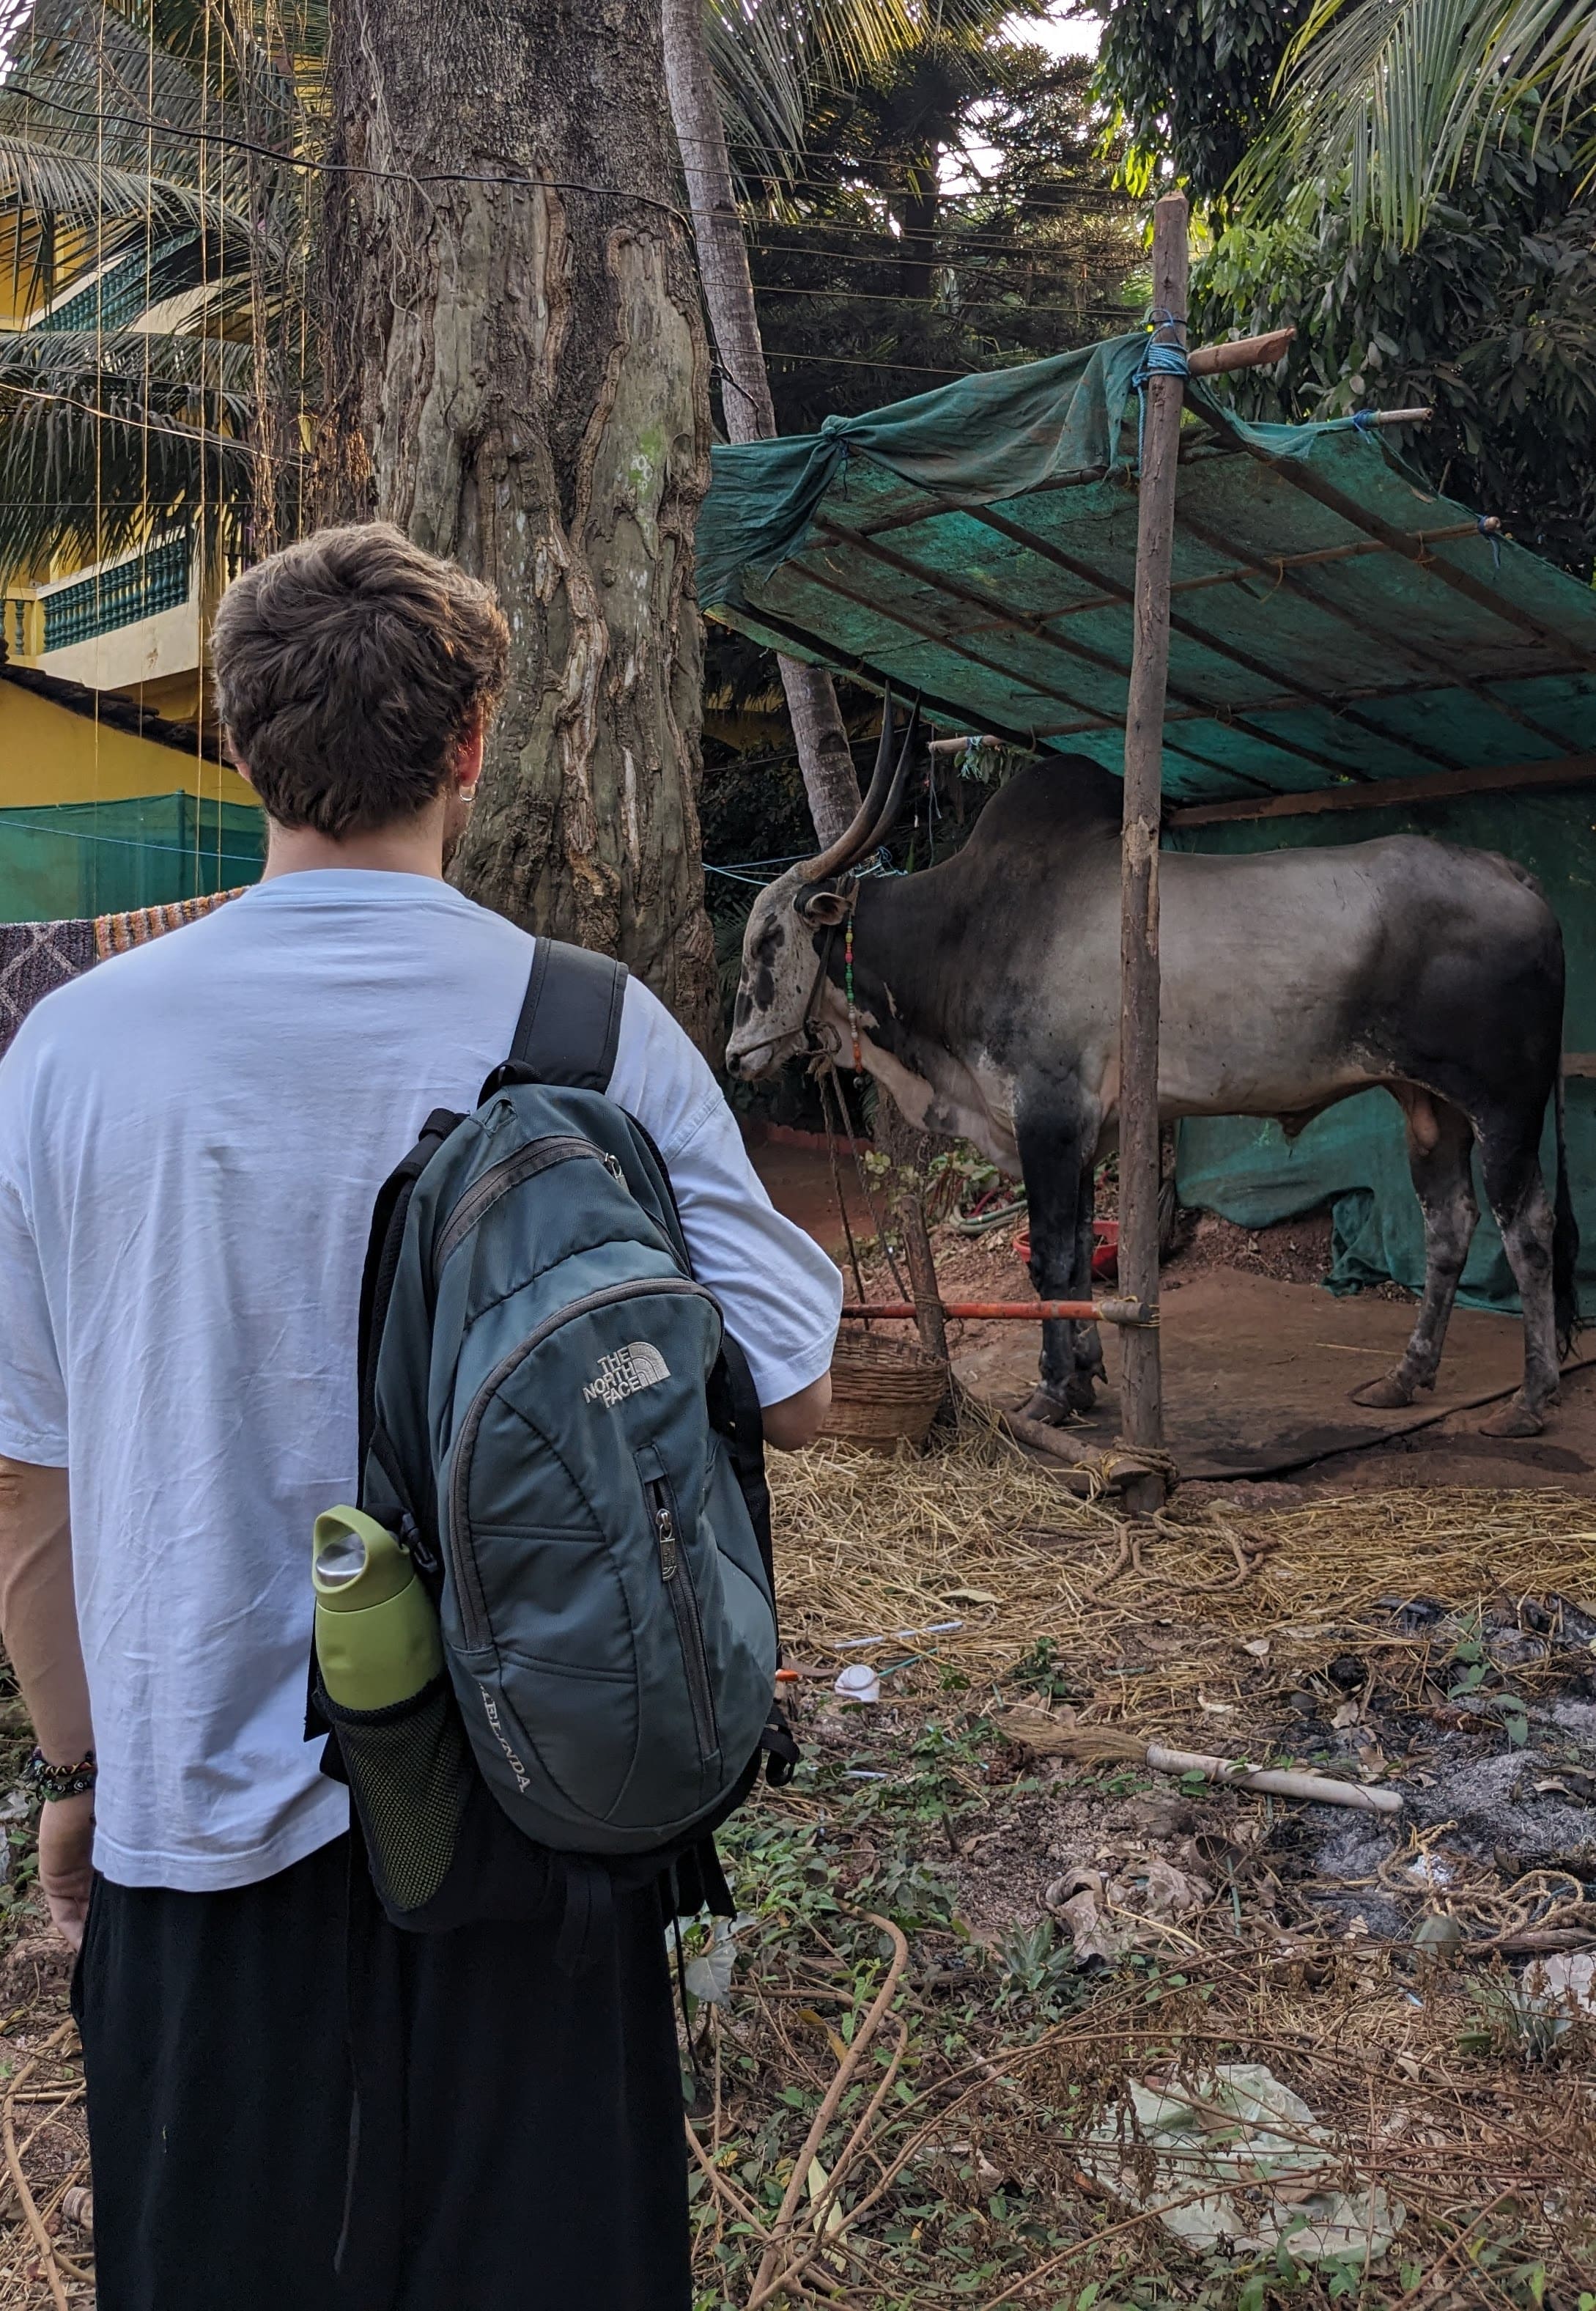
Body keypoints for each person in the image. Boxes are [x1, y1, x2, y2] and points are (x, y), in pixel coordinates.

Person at [0, 523, 841, 2311]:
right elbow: (800, 1383)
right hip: (541, 1821)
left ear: (238, 744)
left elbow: (24, 1476)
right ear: (472, 746)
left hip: (199, 1837)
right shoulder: (593, 1026)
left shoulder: (72, 1053)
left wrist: (80, 1776)